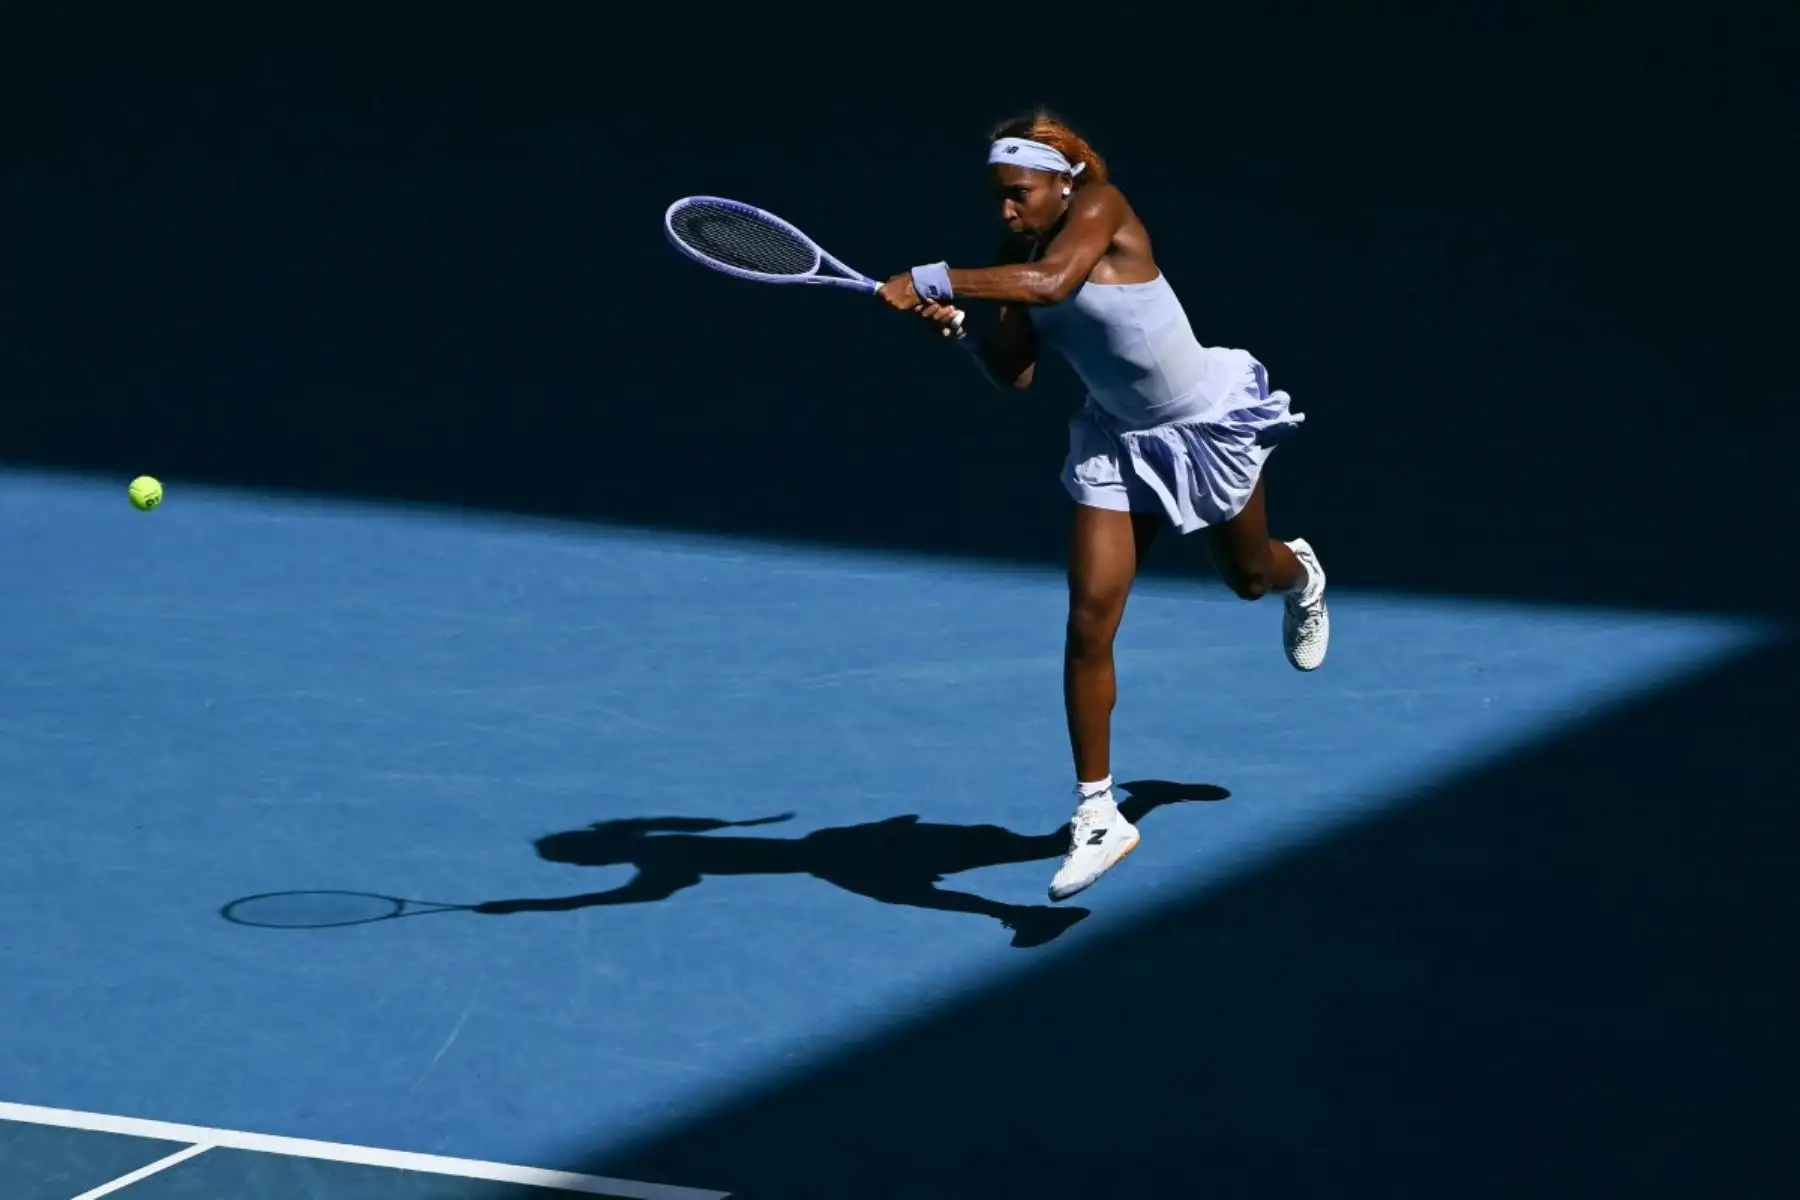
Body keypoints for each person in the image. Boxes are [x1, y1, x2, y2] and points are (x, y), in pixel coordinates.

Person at [877, 108, 1329, 904]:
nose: (1007, 212)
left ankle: (1305, 575)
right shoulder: (1010, 258)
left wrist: (938, 278)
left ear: (1062, 182)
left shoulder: (1103, 208)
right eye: (997, 200)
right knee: (1089, 620)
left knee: (1250, 578)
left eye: (1018, 195)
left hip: (1202, 423)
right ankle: (1098, 813)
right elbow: (1015, 373)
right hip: (1114, 441)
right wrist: (953, 331)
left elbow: (1056, 283)